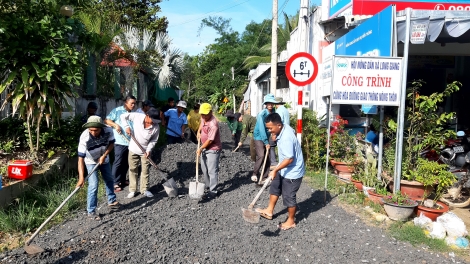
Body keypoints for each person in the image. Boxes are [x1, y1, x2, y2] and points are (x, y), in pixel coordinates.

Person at [255, 113, 305, 231]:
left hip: (293, 171)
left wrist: (275, 169)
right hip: (283, 167)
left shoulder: (287, 138)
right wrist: (274, 135)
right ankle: (269, 210)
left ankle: (291, 220)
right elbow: (289, 129)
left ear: (279, 125)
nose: (269, 130)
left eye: (271, 128)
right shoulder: (283, 127)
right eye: (268, 128)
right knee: (275, 187)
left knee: (288, 196)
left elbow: (289, 159)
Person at [77, 116, 120, 220]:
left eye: (95, 130)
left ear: (101, 127)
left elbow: (111, 144)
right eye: (90, 130)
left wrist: (104, 155)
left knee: (109, 179)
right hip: (90, 161)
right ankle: (91, 211)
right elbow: (80, 159)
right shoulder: (84, 137)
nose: (93, 132)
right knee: (93, 185)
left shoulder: (108, 130)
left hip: (103, 158)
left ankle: (112, 200)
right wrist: (81, 177)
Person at [121, 108, 160, 198]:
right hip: (133, 149)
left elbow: (154, 140)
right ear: (147, 116)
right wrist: (126, 126)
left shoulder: (156, 127)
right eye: (152, 120)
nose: (154, 122)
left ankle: (144, 190)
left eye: (155, 121)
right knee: (133, 169)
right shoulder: (137, 116)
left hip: (145, 151)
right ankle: (132, 190)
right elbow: (123, 116)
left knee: (145, 170)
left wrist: (149, 150)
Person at [105, 95, 136, 192]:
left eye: (134, 103)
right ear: (126, 103)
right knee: (118, 161)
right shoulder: (117, 111)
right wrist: (115, 125)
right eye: (132, 103)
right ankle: (114, 182)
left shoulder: (133, 114)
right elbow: (107, 120)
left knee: (126, 162)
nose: (133, 105)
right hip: (120, 141)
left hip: (130, 142)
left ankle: (122, 180)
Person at [196, 103, 222, 200]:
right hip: (204, 147)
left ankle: (213, 191)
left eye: (205, 114)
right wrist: (199, 132)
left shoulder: (213, 124)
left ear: (211, 112)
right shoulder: (204, 118)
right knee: (204, 168)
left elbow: (210, 140)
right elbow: (201, 125)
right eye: (202, 114)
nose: (203, 116)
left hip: (213, 149)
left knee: (212, 170)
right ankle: (208, 185)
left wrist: (201, 148)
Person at [252, 94, 276, 183]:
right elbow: (262, 129)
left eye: (271, 103)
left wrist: (274, 134)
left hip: (267, 135)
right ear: (265, 104)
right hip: (258, 136)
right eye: (268, 103)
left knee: (268, 156)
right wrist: (266, 142)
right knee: (261, 155)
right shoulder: (262, 114)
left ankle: (264, 176)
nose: (270, 105)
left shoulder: (274, 113)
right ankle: (255, 173)